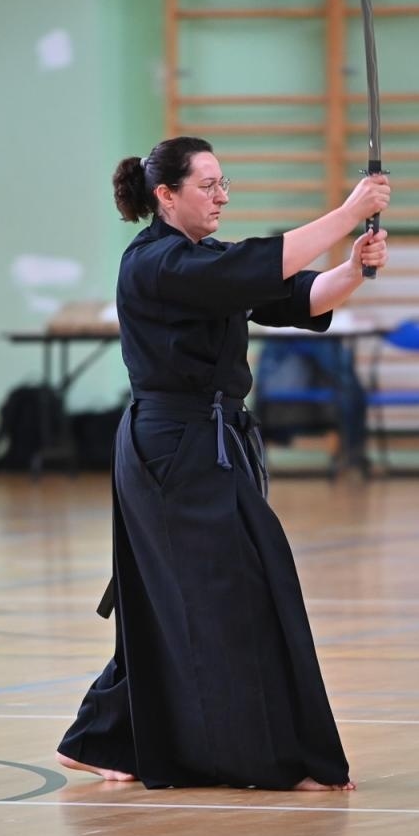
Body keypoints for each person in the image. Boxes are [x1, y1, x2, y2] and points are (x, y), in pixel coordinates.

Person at [56, 136, 390, 790]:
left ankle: (104, 736)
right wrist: (352, 208)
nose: (222, 195)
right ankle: (266, 757)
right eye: (207, 185)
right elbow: (263, 266)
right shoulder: (154, 264)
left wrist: (351, 269)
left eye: (223, 181)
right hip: (172, 450)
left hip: (206, 443)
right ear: (166, 195)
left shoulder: (200, 259)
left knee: (184, 599)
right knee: (225, 597)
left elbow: (296, 296)